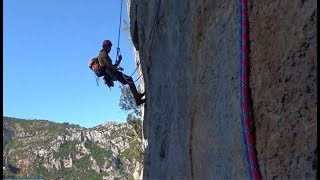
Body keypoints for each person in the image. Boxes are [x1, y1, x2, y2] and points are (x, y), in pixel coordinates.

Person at [98, 40, 145, 106]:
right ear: (105, 46)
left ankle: (137, 96)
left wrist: (119, 61)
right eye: (109, 47)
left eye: (110, 47)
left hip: (113, 73)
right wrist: (116, 68)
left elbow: (110, 65)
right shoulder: (103, 54)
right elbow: (107, 64)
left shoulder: (104, 54)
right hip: (113, 74)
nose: (110, 49)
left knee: (130, 80)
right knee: (129, 80)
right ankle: (137, 99)